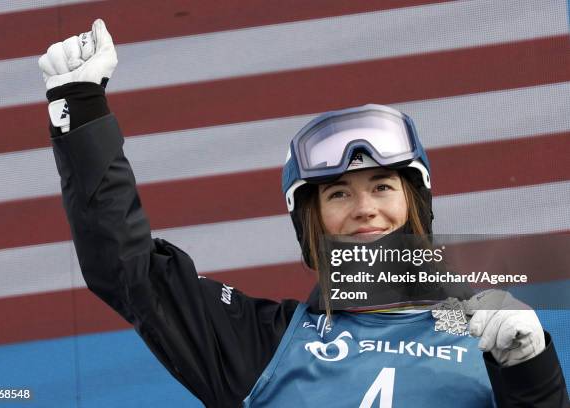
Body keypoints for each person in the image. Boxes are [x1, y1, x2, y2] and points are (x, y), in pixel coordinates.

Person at [38, 20, 569, 407]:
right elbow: (128, 271)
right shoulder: (261, 344)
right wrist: (79, 108)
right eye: (337, 194)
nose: (365, 209)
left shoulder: (488, 335)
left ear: (415, 205)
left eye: (382, 186)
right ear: (309, 223)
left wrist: (531, 371)